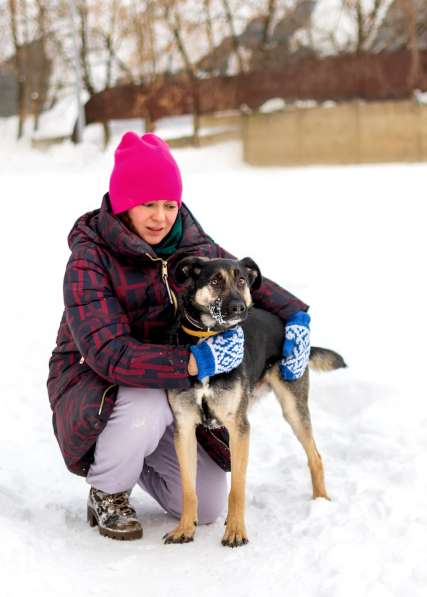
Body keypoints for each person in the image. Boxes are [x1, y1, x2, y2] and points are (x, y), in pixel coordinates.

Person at [47, 131, 311, 541]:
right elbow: (107, 352)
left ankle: (136, 456)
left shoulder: (189, 241)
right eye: (147, 204)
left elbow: (239, 280)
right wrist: (191, 363)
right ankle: (108, 489)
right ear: (123, 205)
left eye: (169, 204)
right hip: (101, 384)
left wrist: (294, 314)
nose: (160, 216)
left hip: (168, 377)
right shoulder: (90, 260)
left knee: (208, 507)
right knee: (148, 407)